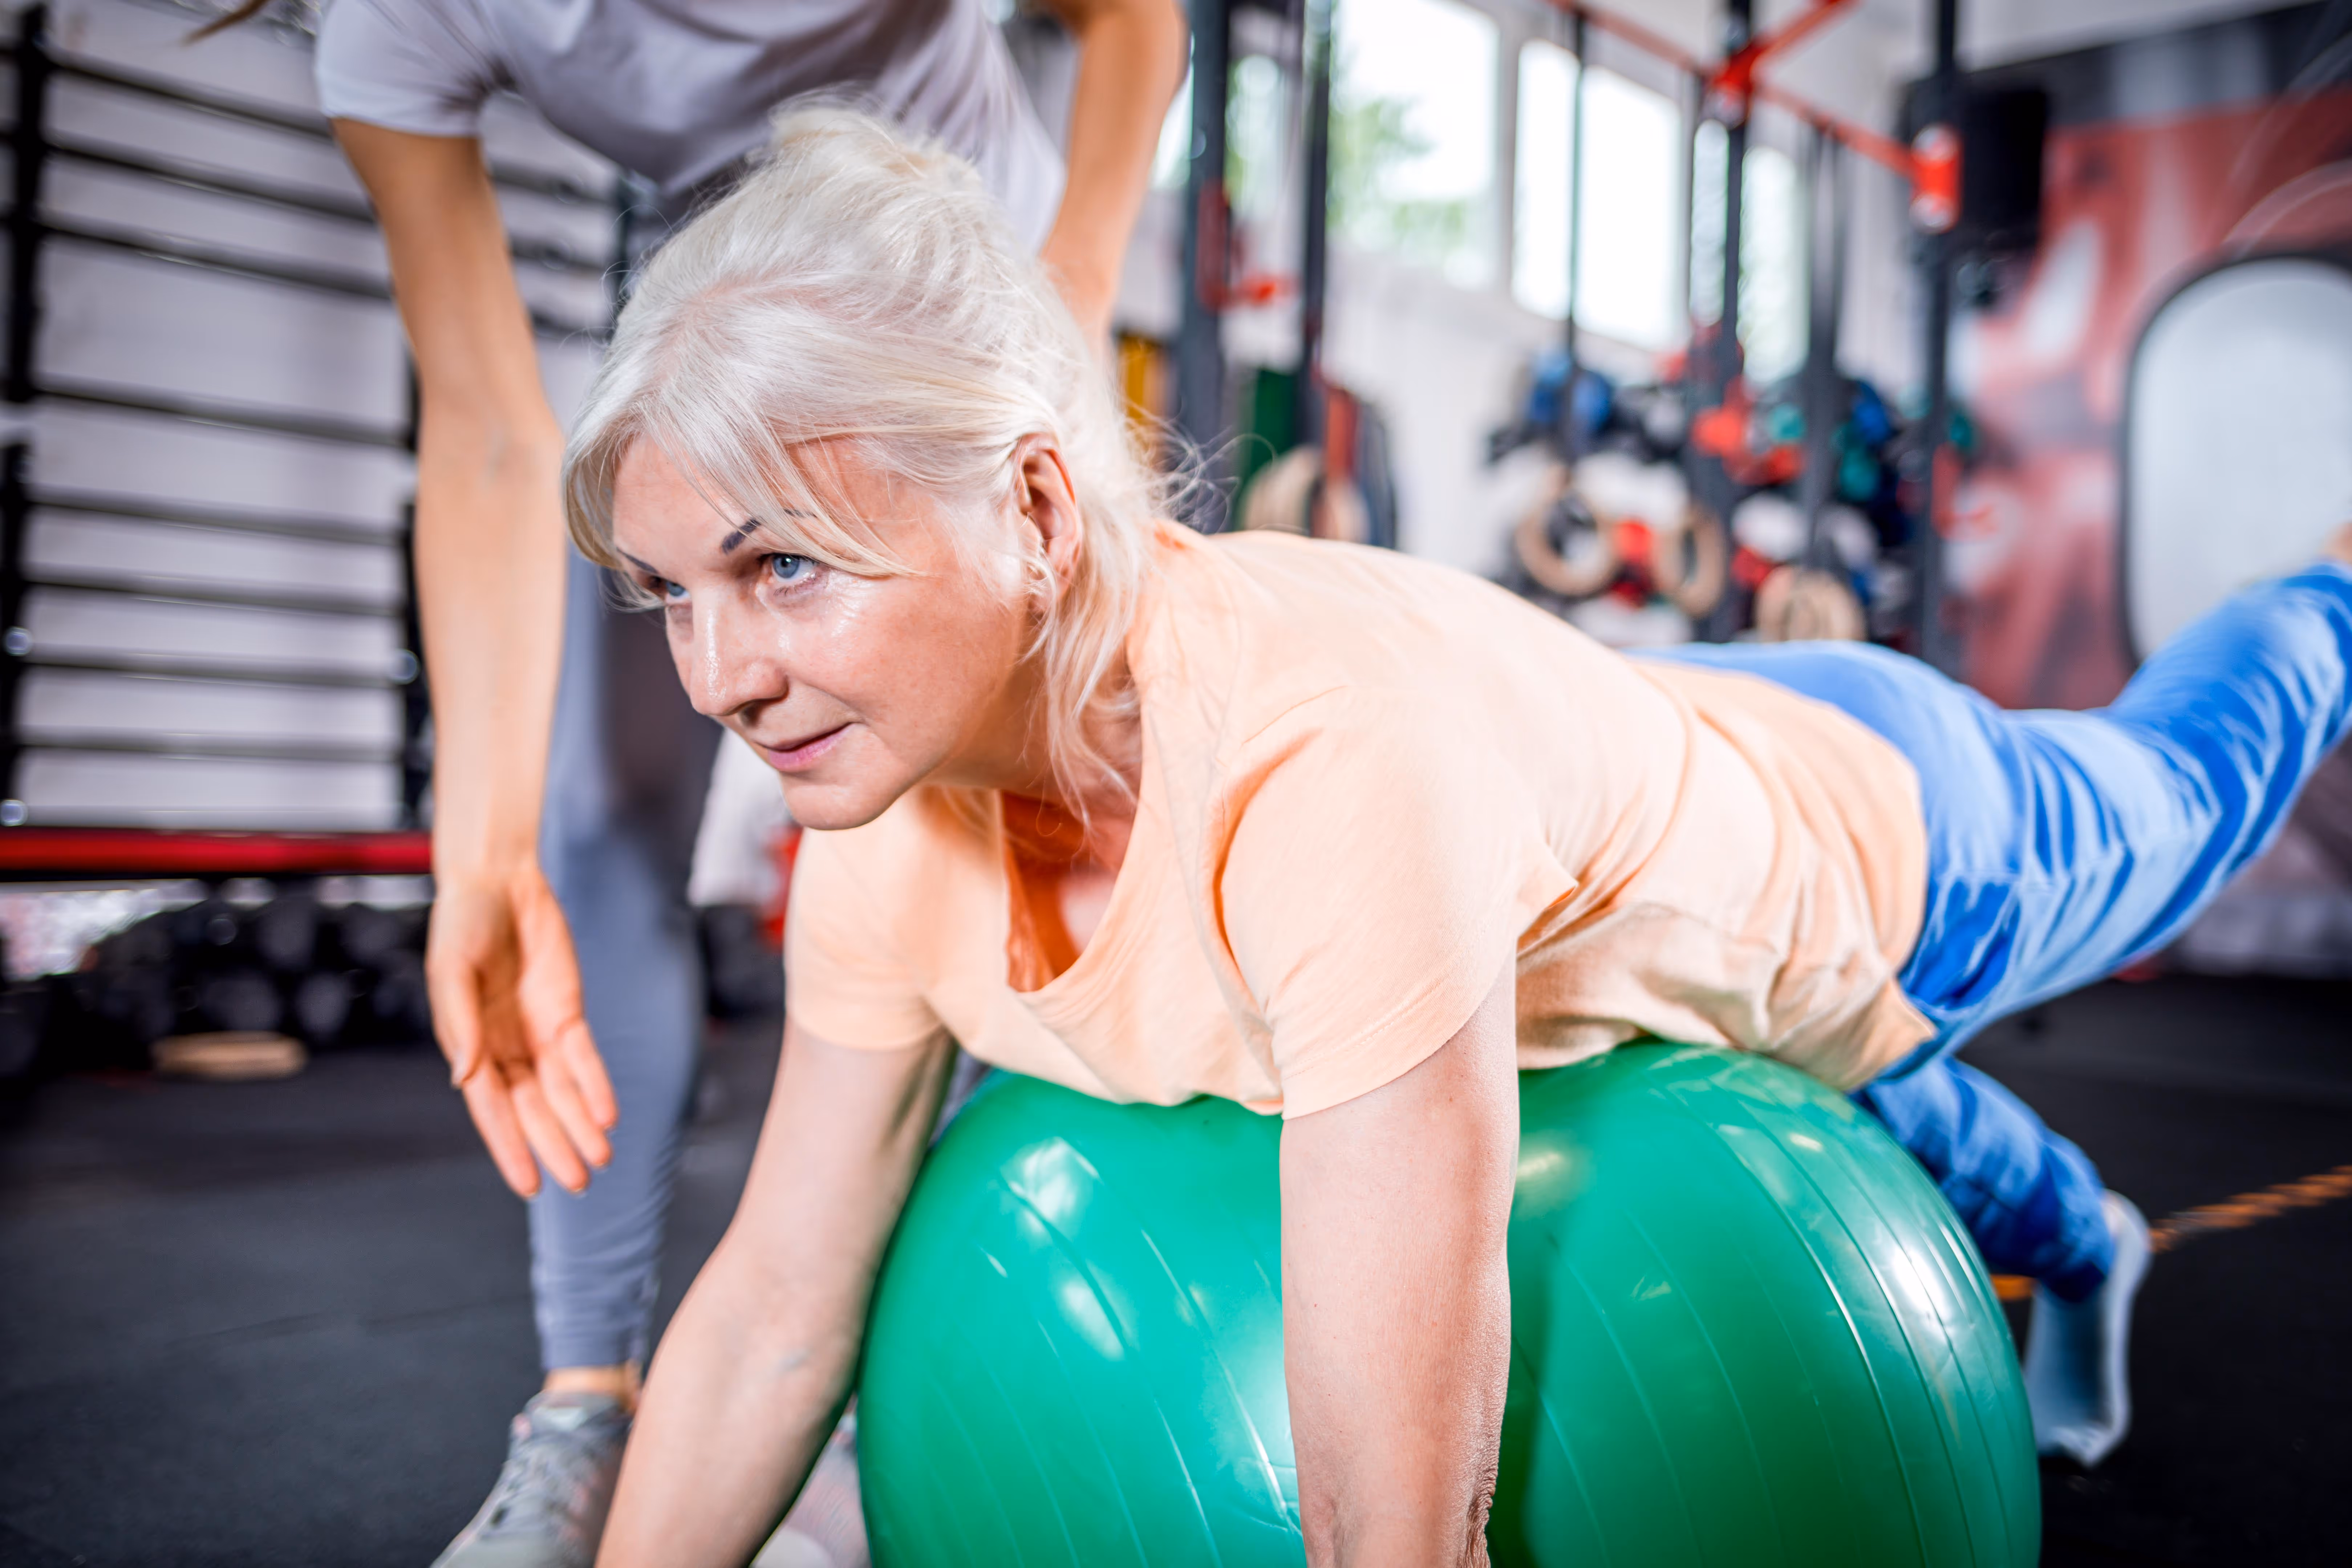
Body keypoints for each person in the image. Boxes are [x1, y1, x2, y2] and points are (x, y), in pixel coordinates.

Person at [558, 110, 2352, 1567]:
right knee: (1798, 1062)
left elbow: (1396, 1525)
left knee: (2191, 775)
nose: (716, 674)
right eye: (670, 594)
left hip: (1895, 839)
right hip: (1613, 764)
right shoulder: (882, 786)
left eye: (779, 565)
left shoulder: (1317, 764)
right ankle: (2090, 1239)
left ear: (1033, 505)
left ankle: (2329, 588)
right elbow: (778, 1303)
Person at [302, 1, 1186, 1563]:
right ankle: (587, 1414)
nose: (722, 680)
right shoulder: (408, 18)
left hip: (952, 284)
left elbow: (1126, 17)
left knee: (998, 826)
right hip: (713, 310)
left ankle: (867, 1413)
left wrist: (1066, 297)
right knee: (579, 829)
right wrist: (480, 855)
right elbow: (495, 436)